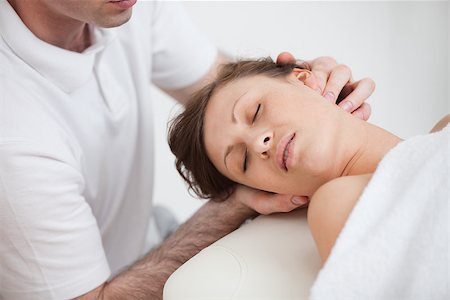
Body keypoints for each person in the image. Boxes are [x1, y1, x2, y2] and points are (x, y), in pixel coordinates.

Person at [0, 1, 374, 299]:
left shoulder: (125, 6)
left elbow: (224, 99)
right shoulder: (15, 140)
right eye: (241, 161)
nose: (261, 141)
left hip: (152, 234)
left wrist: (311, 88)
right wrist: (236, 203)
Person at [168, 57, 449, 262]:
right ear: (268, 192)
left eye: (255, 112)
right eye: (243, 161)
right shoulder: (334, 206)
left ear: (304, 79)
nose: (257, 143)